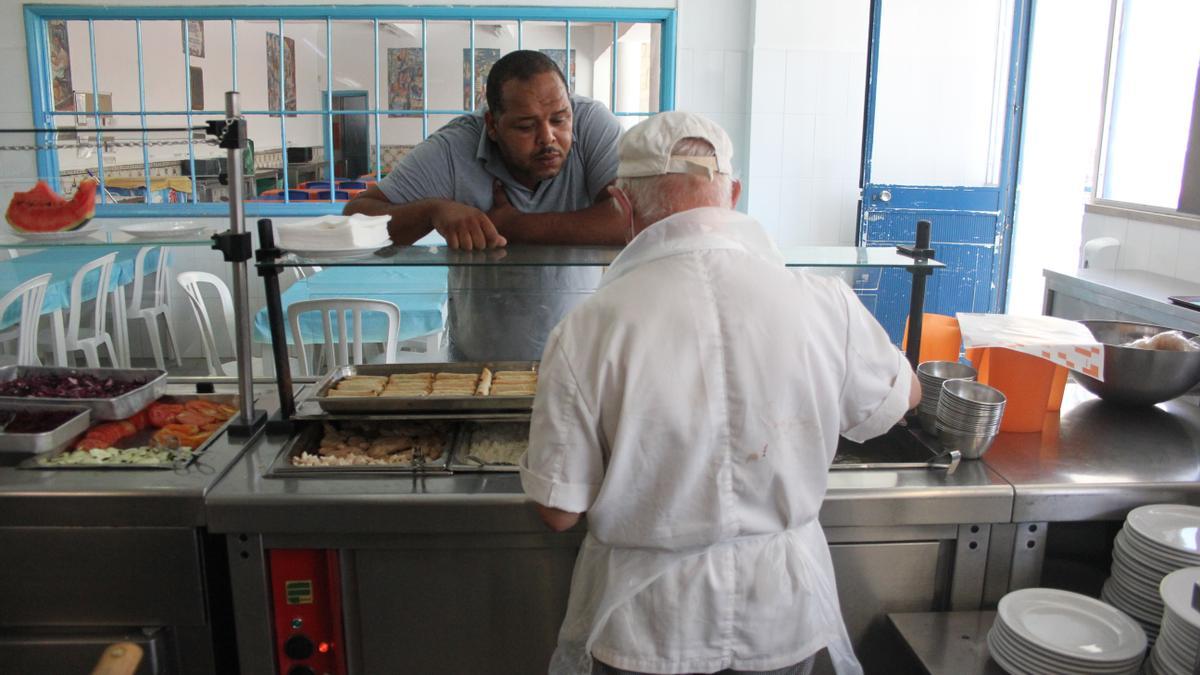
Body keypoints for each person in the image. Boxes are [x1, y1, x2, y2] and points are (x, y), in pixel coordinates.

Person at [520, 111, 922, 675]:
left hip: (650, 630)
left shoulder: (589, 328)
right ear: (732, 193)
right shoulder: (823, 302)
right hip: (780, 619)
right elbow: (902, 398)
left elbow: (559, 510)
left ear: (623, 205)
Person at [345, 50, 626, 361]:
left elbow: (629, 220)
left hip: (578, 361)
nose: (548, 138)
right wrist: (432, 210)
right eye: (525, 127)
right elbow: (355, 219)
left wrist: (513, 225)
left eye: (560, 119)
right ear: (492, 124)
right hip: (478, 365)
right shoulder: (454, 148)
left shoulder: (591, 123)